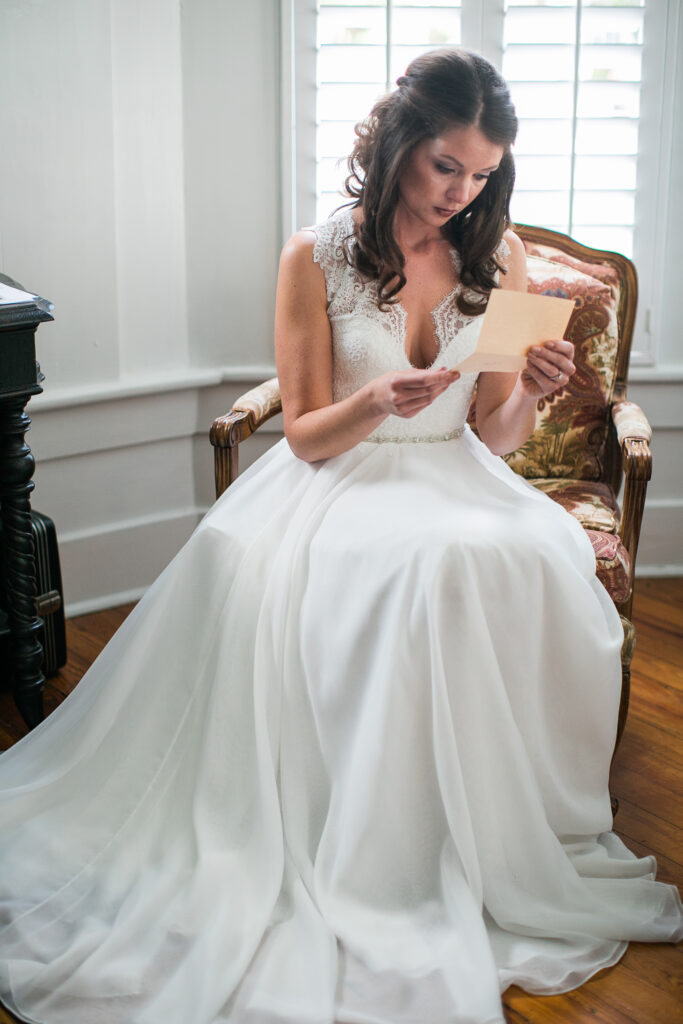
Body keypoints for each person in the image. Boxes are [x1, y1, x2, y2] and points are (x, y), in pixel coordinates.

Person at [0, 47, 680, 1024]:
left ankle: (476, 826)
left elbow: (493, 437)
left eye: (483, 172)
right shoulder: (311, 254)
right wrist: (372, 402)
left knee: (516, 553)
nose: (463, 189)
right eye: (446, 164)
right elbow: (309, 436)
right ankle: (367, 842)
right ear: (400, 142)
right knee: (408, 570)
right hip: (341, 474)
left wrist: (525, 394)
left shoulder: (504, 257)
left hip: (458, 473)